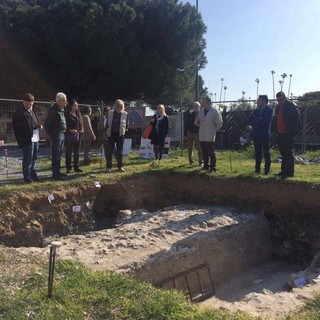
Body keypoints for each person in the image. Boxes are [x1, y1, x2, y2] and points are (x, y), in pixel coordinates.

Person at [12, 93, 42, 183]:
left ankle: (33, 174)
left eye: (30, 104)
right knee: (27, 160)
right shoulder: (19, 113)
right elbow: (19, 127)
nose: (28, 106)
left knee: (34, 158)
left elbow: (34, 122)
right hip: (26, 140)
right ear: (23, 102)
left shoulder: (32, 111)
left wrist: (38, 125)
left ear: (33, 103)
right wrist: (34, 127)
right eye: (26, 104)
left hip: (35, 138)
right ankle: (27, 177)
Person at [274, 91, 301, 179]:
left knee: (288, 152)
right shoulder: (278, 107)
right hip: (280, 133)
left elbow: (296, 120)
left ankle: (289, 172)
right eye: (278, 100)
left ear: (285, 98)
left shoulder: (291, 106)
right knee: (283, 153)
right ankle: (284, 171)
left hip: (288, 133)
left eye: (281, 100)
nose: (280, 101)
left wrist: (290, 131)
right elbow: (276, 119)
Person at [195, 96, 223, 172]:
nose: (202, 104)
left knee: (211, 151)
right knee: (204, 151)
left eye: (203, 102)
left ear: (208, 102)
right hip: (202, 134)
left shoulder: (215, 111)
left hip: (210, 134)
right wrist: (197, 121)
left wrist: (213, 129)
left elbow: (219, 123)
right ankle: (206, 166)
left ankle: (213, 167)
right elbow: (197, 122)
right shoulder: (201, 111)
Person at [44, 92, 67, 180]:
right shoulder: (53, 110)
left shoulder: (62, 109)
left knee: (60, 153)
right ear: (59, 101)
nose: (66, 102)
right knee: (56, 154)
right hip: (56, 134)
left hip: (62, 133)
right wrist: (50, 133)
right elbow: (47, 123)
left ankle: (58, 171)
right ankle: (55, 174)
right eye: (64, 100)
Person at [248, 95, 273, 174]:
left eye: (259, 100)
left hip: (265, 134)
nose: (257, 102)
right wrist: (257, 120)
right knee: (257, 153)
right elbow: (250, 119)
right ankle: (257, 169)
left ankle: (267, 170)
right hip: (256, 134)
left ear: (264, 101)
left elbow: (264, 121)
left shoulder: (269, 110)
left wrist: (257, 120)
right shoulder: (256, 111)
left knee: (266, 153)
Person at [106, 99, 128, 172]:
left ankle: (120, 166)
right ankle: (108, 167)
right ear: (115, 106)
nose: (119, 108)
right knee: (109, 151)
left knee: (120, 151)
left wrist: (124, 130)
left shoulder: (125, 114)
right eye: (117, 106)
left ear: (123, 107)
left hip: (120, 134)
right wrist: (106, 132)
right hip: (111, 134)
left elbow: (127, 124)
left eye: (121, 106)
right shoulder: (110, 113)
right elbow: (107, 123)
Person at [65, 99, 83, 173]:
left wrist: (82, 129)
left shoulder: (78, 114)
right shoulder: (67, 115)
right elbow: (65, 125)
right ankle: (68, 167)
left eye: (77, 105)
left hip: (78, 134)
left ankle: (76, 166)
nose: (76, 106)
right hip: (70, 135)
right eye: (75, 105)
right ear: (71, 106)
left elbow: (81, 123)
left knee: (77, 151)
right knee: (69, 151)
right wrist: (70, 130)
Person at [184, 101, 203, 165]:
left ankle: (201, 162)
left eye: (197, 106)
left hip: (198, 133)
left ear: (199, 107)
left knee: (199, 148)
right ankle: (191, 161)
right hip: (190, 133)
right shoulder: (190, 114)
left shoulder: (201, 115)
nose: (196, 108)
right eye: (194, 106)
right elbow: (186, 124)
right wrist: (185, 134)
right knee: (190, 148)